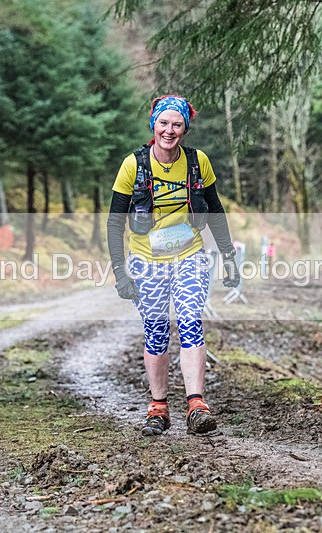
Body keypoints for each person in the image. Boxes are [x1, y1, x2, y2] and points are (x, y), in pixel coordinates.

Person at [107, 95, 240, 436]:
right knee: (156, 332)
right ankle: (159, 408)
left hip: (189, 256)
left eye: (177, 124)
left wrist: (228, 257)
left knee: (191, 320)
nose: (170, 130)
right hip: (146, 260)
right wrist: (120, 272)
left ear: (185, 128)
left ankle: (197, 405)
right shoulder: (132, 165)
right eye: (163, 123)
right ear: (153, 125)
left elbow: (215, 209)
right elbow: (114, 222)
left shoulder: (198, 162)